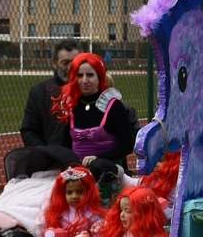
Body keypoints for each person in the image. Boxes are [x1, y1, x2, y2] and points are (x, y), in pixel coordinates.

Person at [53, 51, 139, 194]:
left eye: (90, 75)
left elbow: (127, 145)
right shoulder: (71, 105)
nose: (85, 80)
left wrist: (99, 158)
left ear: (99, 77)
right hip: (76, 174)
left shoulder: (113, 105)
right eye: (80, 76)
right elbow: (65, 144)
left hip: (107, 171)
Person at [15, 40, 81, 176]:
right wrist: (47, 154)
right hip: (48, 164)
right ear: (55, 63)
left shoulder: (89, 90)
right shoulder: (39, 92)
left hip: (82, 161)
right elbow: (29, 130)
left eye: (74, 62)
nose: (70, 67)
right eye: (65, 62)